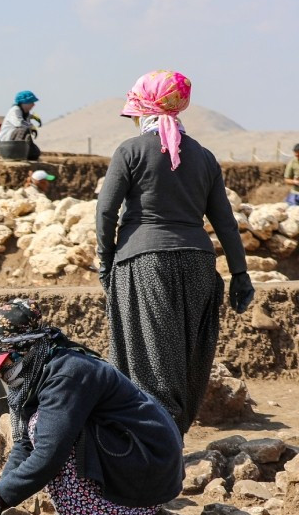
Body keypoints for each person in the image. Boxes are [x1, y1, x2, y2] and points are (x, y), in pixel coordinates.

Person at [96, 70, 254, 434]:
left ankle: (155, 448)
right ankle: (172, 436)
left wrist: (106, 261)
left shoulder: (131, 150)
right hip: (199, 263)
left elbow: (106, 211)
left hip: (145, 262)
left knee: (149, 359)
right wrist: (240, 275)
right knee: (189, 357)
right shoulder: (204, 156)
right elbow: (226, 223)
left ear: (144, 109)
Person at [0, 299, 184, 515]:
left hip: (147, 470)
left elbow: (49, 453)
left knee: (45, 425)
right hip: (137, 463)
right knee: (41, 425)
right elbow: (24, 444)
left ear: (24, 350)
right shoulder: (41, 371)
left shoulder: (67, 374)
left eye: (2, 364)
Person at [0, 90, 41, 161]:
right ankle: (17, 155)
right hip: (6, 143)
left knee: (35, 153)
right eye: (31, 102)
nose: (33, 105)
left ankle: (23, 153)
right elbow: (20, 123)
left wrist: (32, 117)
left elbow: (25, 120)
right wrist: (31, 126)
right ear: (24, 103)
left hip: (14, 141)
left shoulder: (24, 113)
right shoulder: (15, 110)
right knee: (23, 130)